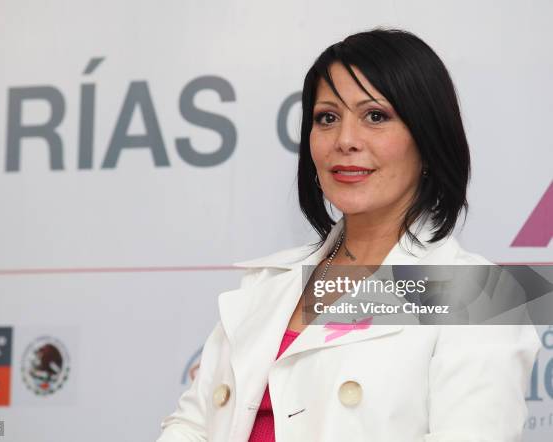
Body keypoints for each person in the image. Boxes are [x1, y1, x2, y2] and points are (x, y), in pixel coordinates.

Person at [156, 28, 541, 442]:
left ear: (428, 139)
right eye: (327, 118)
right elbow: (192, 426)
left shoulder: (478, 296)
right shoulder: (269, 282)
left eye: (375, 116)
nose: (345, 140)